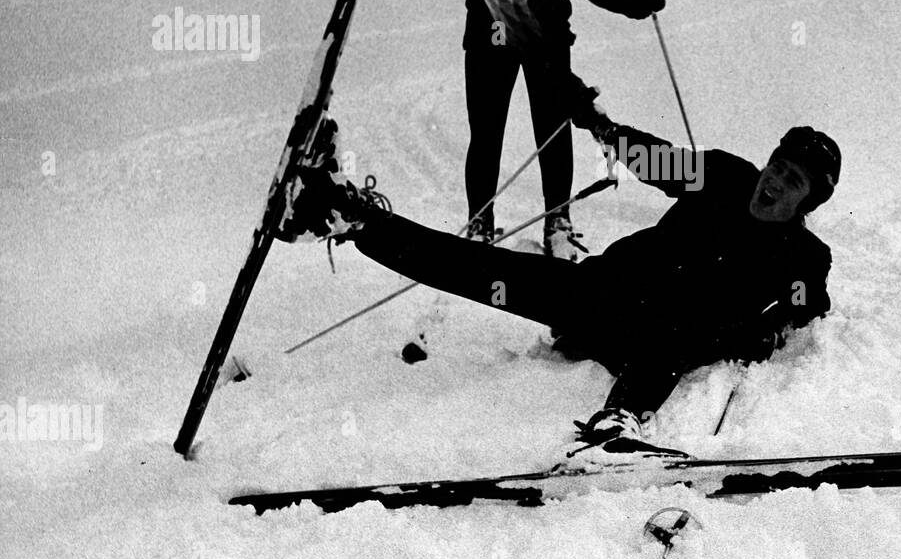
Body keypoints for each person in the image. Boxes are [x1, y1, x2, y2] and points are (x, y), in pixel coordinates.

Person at [278, 92, 840, 449]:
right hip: (601, 294)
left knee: (682, 322)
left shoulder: (803, 257)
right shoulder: (724, 177)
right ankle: (344, 217)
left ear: (807, 203)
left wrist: (763, 333)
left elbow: (807, 308)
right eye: (779, 166)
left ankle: (619, 423)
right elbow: (655, 160)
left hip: (657, 344)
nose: (775, 183)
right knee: (481, 268)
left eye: (794, 182)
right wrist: (600, 125)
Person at [463, 0, 666, 259]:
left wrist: (632, 2)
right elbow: (516, 26)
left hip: (550, 36)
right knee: (487, 133)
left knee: (553, 132)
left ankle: (559, 220)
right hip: (494, 39)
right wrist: (565, 82)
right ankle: (479, 223)